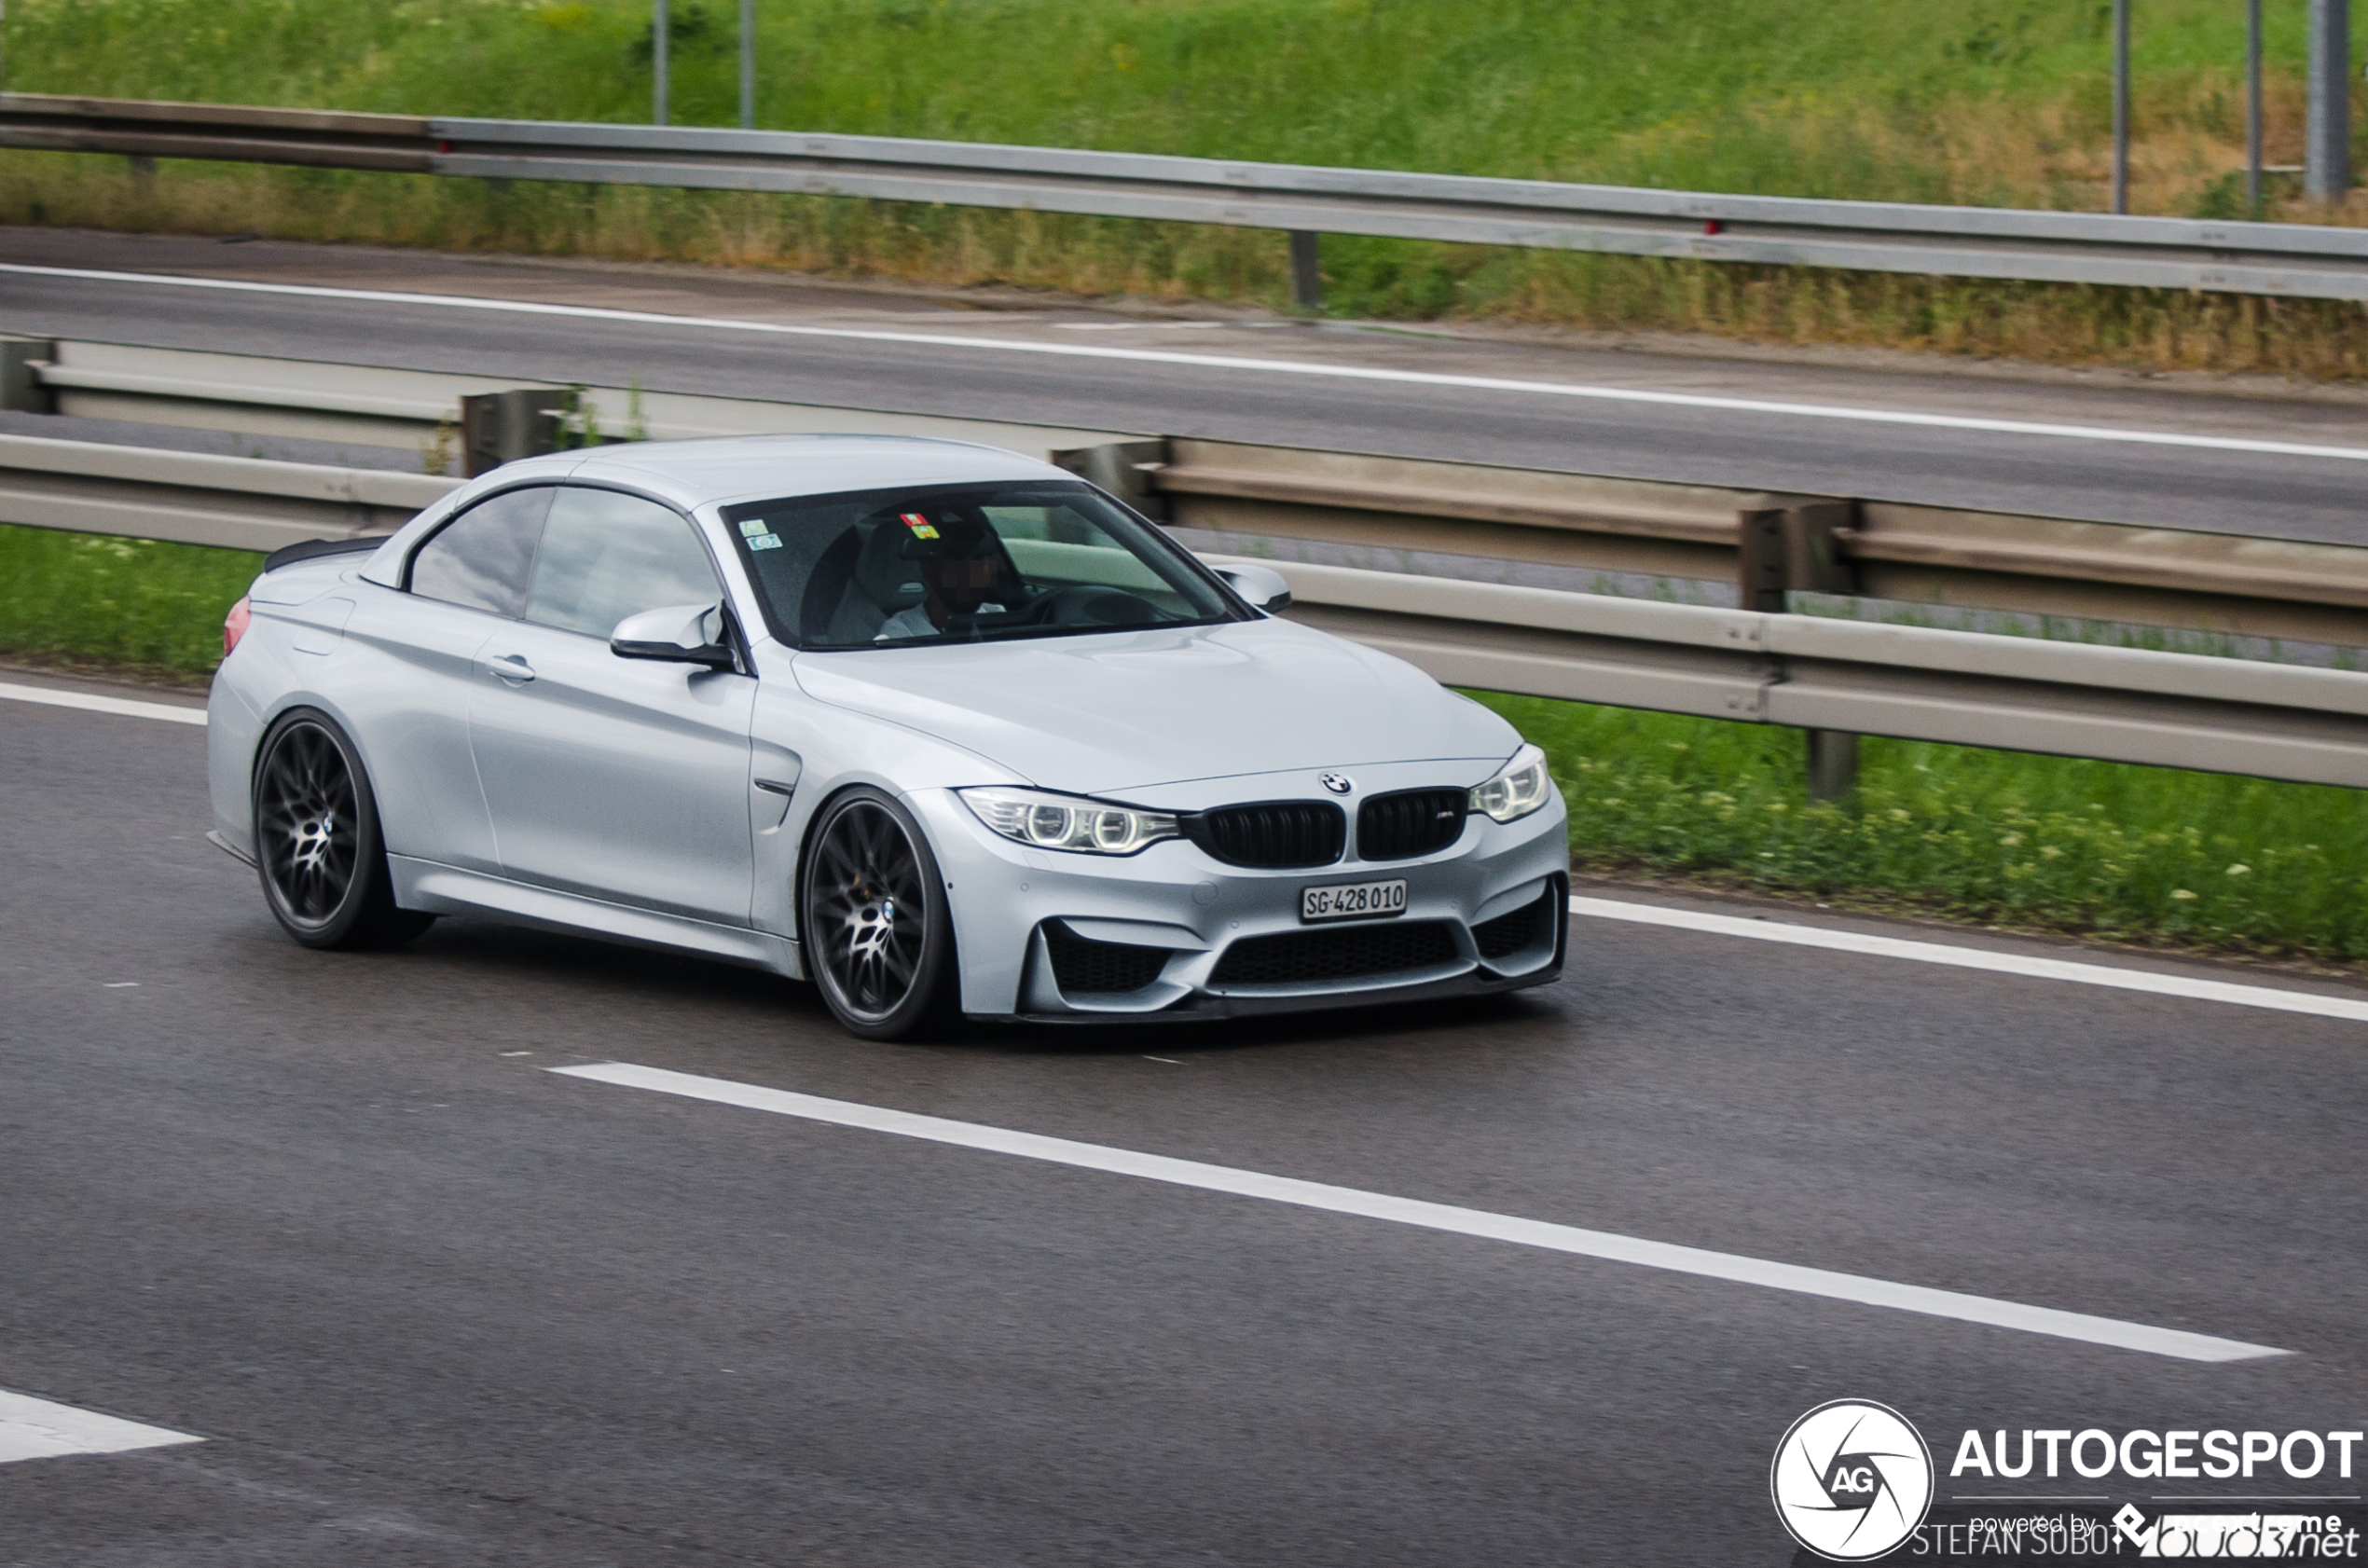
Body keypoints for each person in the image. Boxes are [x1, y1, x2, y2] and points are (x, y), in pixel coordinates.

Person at [874, 512, 1014, 640]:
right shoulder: (902, 631)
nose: (972, 574)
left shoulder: (995, 615)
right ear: (928, 570)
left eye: (979, 561)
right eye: (958, 563)